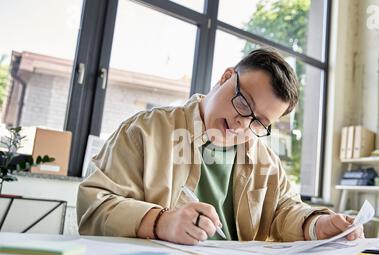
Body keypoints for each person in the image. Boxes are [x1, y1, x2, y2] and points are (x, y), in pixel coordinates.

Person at [77, 48, 364, 244]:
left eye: (258, 121)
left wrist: (315, 225)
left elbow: (284, 210)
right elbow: (94, 208)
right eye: (243, 103)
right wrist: (160, 222)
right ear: (226, 78)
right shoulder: (145, 131)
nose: (242, 124)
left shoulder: (266, 161)